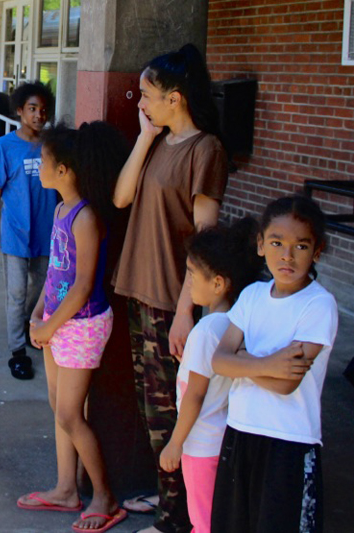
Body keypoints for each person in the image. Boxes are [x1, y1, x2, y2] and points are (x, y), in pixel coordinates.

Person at [112, 44, 229, 533]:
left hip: (170, 302)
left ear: (175, 98)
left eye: (148, 95)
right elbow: (121, 198)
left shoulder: (206, 150)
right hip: (139, 292)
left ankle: (175, 520)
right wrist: (144, 137)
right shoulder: (159, 142)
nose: (141, 102)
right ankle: (168, 502)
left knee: (171, 415)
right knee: (151, 409)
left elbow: (205, 242)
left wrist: (186, 312)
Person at [16, 121, 128, 532]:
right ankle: (66, 489)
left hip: (81, 325)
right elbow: (57, 273)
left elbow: (82, 287)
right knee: (59, 410)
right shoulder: (61, 208)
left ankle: (105, 497)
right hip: (57, 322)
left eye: (43, 160)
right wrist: (39, 313)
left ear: (64, 170)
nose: (38, 164)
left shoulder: (85, 216)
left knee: (69, 414)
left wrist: (50, 325)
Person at [211, 196, 338, 533]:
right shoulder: (252, 295)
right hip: (240, 431)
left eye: (301, 246)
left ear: (317, 251)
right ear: (260, 244)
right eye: (277, 242)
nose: (287, 255)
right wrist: (267, 362)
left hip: (289, 442)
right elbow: (219, 360)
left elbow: (287, 382)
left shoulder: (319, 305)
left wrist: (243, 360)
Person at [157, 219, 263, 533]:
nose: (188, 283)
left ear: (218, 284)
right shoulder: (233, 324)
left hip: (200, 445)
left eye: (192, 274)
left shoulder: (205, 331)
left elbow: (196, 394)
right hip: (224, 440)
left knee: (203, 522)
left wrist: (175, 443)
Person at [0, 81, 57, 380]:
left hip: (47, 233)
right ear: (19, 111)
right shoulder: (4, 147)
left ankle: (28, 327)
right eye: (32, 109)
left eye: (43, 110)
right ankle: (17, 352)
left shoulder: (53, 145)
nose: (39, 115)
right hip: (15, 233)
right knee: (16, 293)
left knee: (39, 290)